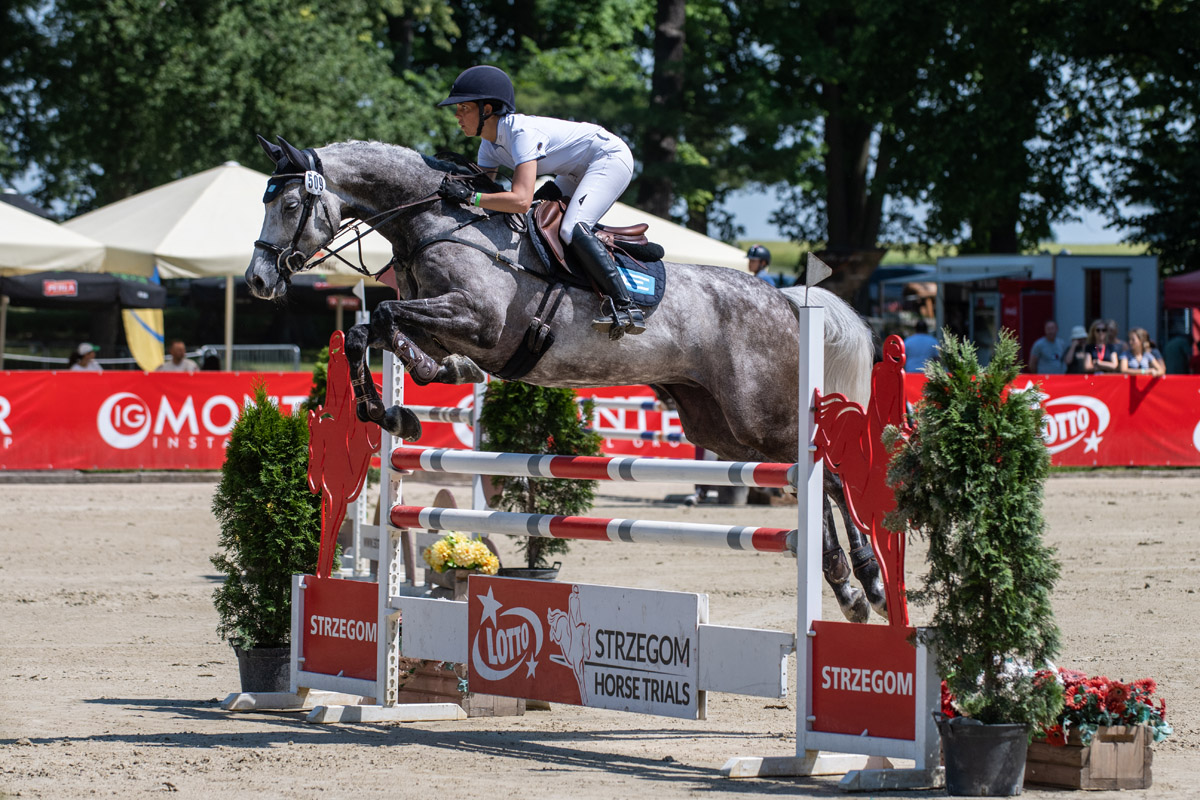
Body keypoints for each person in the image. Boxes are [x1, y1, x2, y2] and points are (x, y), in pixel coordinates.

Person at [436, 65, 643, 340]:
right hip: (573, 170)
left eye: (464, 108)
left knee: (572, 228)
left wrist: (470, 196)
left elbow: (519, 200)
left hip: (608, 158)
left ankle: (626, 305)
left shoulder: (520, 132)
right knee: (536, 220)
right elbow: (488, 198)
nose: (457, 115)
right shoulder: (488, 144)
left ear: (487, 109)